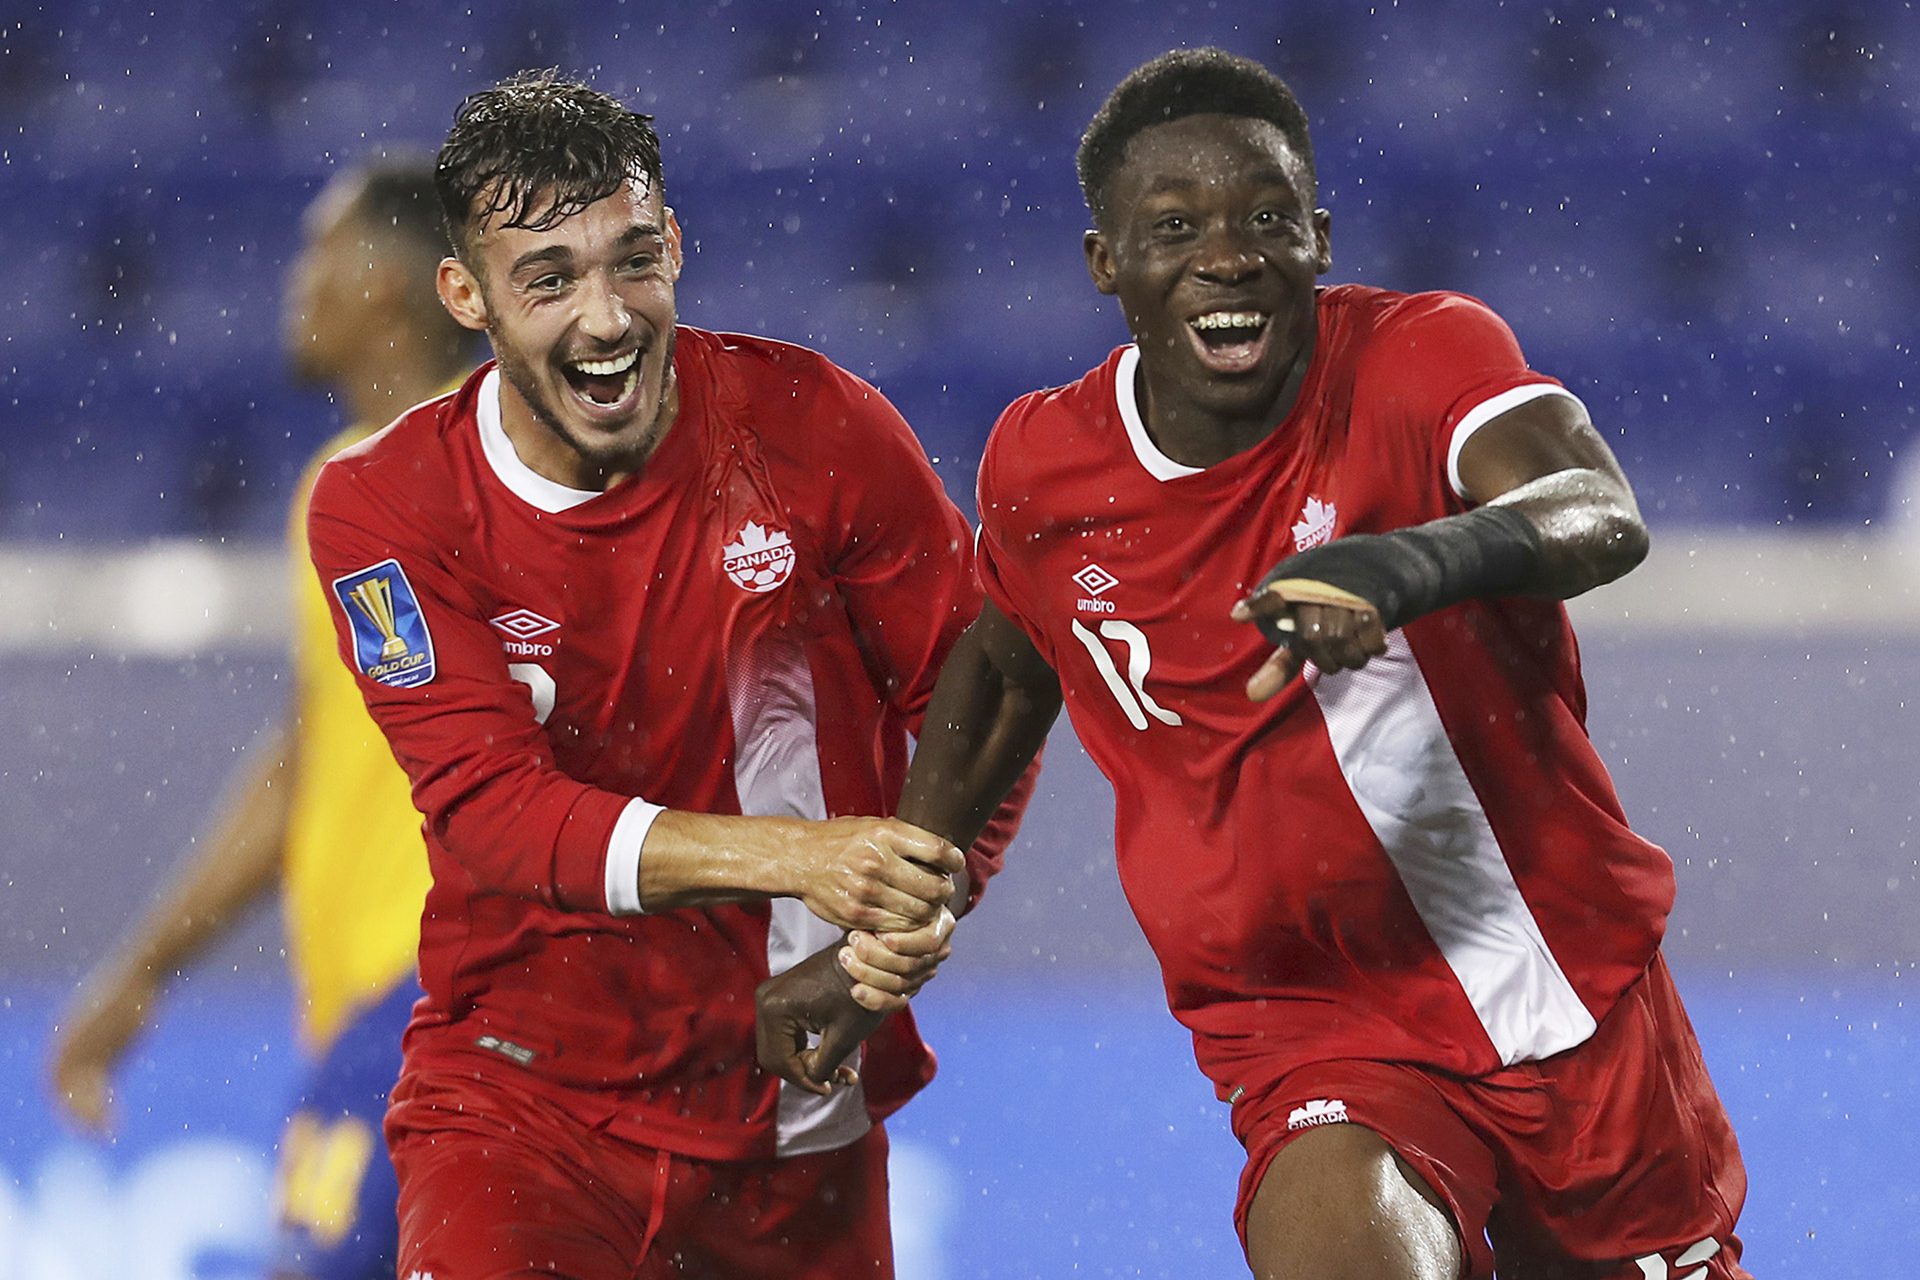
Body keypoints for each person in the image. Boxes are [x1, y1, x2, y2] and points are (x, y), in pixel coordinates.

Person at [757, 47, 1753, 1280]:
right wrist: (878, 952)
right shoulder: (1043, 467)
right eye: (1175, 226)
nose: (1228, 254)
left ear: (1321, 239)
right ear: (1105, 264)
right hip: (1313, 1026)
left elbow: (1595, 509)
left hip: (1575, 988)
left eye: (1267, 217)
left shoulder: (1419, 355)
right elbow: (1013, 668)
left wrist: (1405, 567)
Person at [302, 70, 1029, 1280]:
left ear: (676, 245)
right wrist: (811, 858)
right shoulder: (383, 506)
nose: (605, 317)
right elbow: (496, 815)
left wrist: (895, 931)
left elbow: (989, 693)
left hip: (795, 1111)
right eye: (548, 278)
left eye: (632, 260)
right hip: (517, 1108)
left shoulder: (820, 429)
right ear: (465, 294)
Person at [48, 157, 474, 1279]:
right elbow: (312, 759)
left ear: (387, 285)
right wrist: (145, 967)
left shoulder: (468, 476)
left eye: (317, 252)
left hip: (435, 995)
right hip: (395, 1011)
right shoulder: (343, 488)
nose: (298, 283)